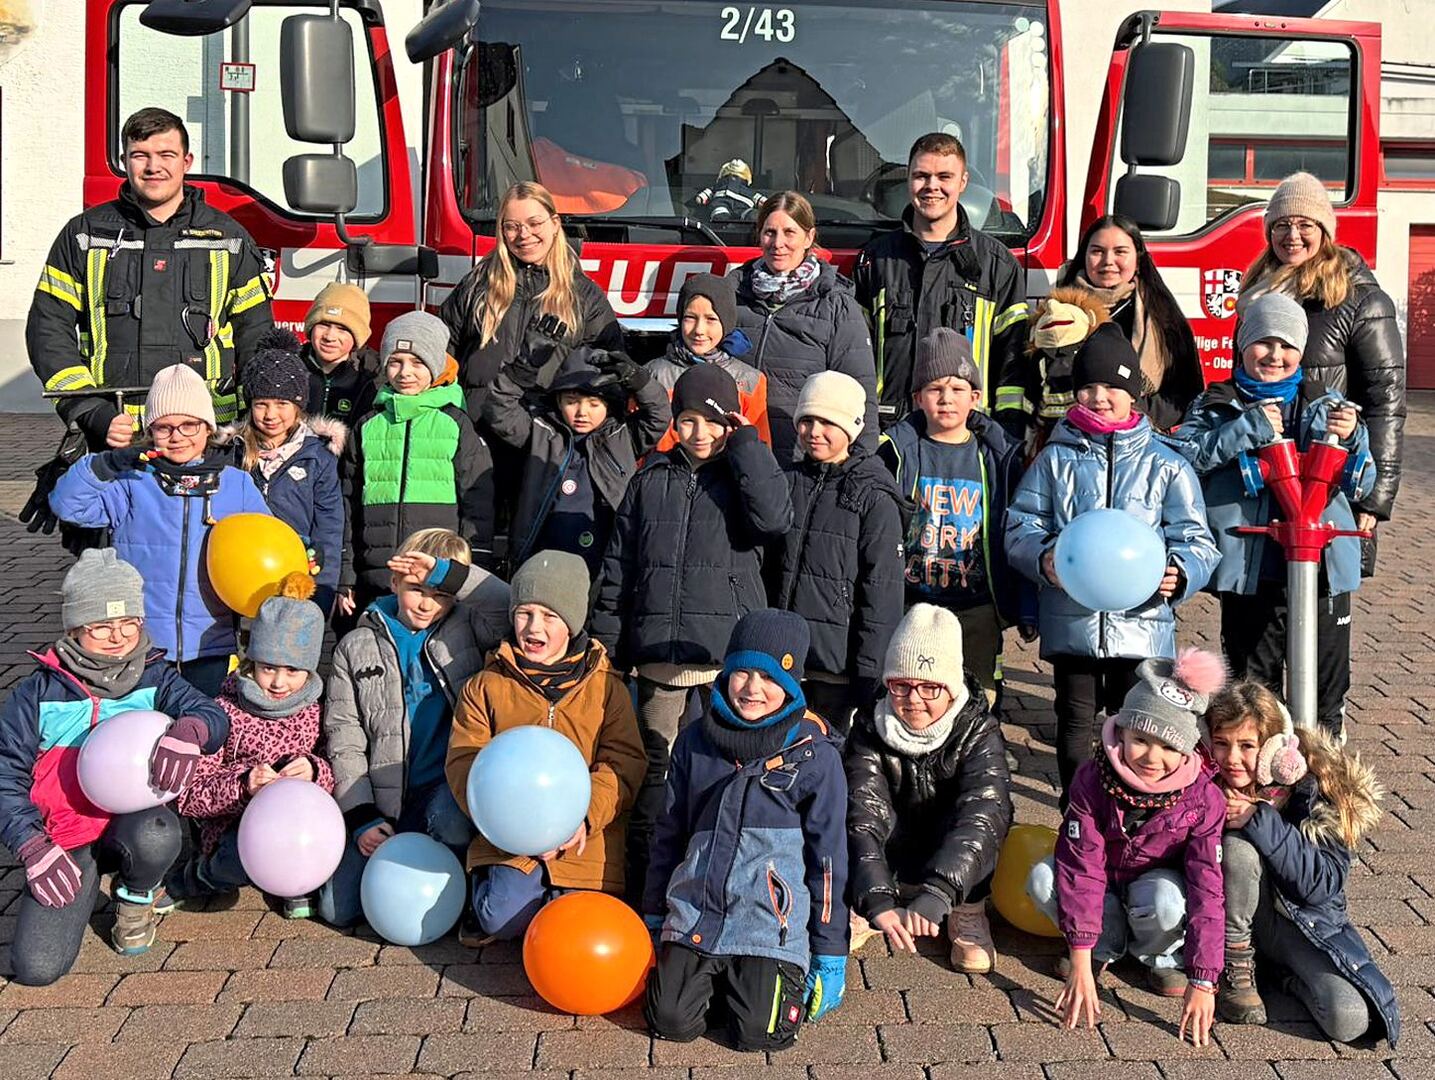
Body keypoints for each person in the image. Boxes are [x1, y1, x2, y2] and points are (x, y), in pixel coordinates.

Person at [592, 363, 792, 901]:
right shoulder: (649, 479)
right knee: (654, 769)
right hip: (659, 657)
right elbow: (619, 567)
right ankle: (644, 888)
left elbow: (774, 518)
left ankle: (713, 885)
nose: (699, 433)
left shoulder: (743, 474)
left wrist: (746, 443)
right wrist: (609, 645)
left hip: (723, 659)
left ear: (729, 422)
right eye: (687, 420)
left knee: (719, 770)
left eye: (712, 421)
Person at [1005, 324, 1219, 798]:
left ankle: (1130, 811)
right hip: (1071, 619)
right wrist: (1043, 559)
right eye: (1088, 387)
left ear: (1133, 393)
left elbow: (1198, 540)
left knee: (1136, 722)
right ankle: (1078, 811)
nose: (1099, 397)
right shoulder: (1054, 459)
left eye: (1112, 386)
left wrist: (1181, 571)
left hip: (1142, 624)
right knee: (1074, 720)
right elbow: (1020, 525)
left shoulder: (1167, 464)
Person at [0, 550, 227, 982]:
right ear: (73, 628)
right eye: (100, 625)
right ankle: (81, 880)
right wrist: (31, 845)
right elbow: (5, 775)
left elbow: (211, 714)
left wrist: (191, 729)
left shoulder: (155, 677)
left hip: (132, 822)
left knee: (157, 833)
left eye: (129, 622)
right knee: (37, 968)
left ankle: (136, 895)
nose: (118, 636)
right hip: (64, 834)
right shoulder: (36, 694)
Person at [643, 610, 850, 1049]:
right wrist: (654, 910)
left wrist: (830, 949)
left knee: (761, 1032)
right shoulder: (694, 741)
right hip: (699, 911)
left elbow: (829, 859)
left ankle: (748, 982)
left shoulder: (815, 757)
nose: (753, 688)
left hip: (769, 923)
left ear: (793, 685)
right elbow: (669, 832)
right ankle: (716, 979)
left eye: (770, 677)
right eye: (743, 672)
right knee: (669, 1020)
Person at [1176, 293, 1373, 740]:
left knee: (1327, 687)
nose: (1275, 355)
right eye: (1263, 342)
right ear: (1242, 345)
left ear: (1301, 351)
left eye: (1287, 345)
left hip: (1323, 568)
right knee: (1254, 688)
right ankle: (1260, 772)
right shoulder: (1215, 403)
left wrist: (1352, 439)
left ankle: (1323, 769)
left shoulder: (1327, 403)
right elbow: (1185, 458)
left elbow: (1364, 478)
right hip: (1253, 569)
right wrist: (1246, 429)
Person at [26, 107, 272, 444]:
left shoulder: (228, 238)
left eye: (166, 155)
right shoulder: (85, 235)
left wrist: (255, 418)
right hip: (115, 434)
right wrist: (91, 411)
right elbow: (48, 328)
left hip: (204, 434)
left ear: (186, 162)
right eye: (140, 155)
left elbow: (256, 335)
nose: (153, 166)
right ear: (124, 161)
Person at [1026, 650, 1227, 1044]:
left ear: (1187, 750)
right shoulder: (1091, 778)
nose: (1152, 757)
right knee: (1043, 879)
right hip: (1103, 882)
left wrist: (1204, 979)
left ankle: (1159, 956)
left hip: (1153, 888)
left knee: (1168, 901)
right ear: (1120, 732)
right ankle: (1102, 948)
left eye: (1169, 747)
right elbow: (1080, 866)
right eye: (1140, 740)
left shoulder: (1204, 797)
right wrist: (1080, 955)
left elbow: (1207, 887)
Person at [446, 551, 646, 941]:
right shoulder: (486, 685)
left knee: (574, 927)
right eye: (524, 613)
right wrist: (509, 822)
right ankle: (484, 891)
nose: (533, 626)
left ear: (571, 623)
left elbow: (623, 764)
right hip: (510, 839)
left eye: (550, 616)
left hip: (584, 839)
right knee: (501, 919)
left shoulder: (608, 688)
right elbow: (463, 759)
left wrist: (583, 817)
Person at [319, 527, 510, 929]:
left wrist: (446, 574)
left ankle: (460, 884)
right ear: (394, 582)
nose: (427, 604)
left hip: (444, 793)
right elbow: (344, 735)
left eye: (441, 594)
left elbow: (506, 605)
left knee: (452, 824)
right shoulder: (356, 645)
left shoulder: (468, 628)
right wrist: (361, 815)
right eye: (416, 589)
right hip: (382, 799)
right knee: (338, 909)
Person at [49, 364, 273, 695]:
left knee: (201, 721)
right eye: (164, 427)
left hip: (210, 639)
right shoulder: (131, 482)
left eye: (189, 425)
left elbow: (267, 540)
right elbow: (67, 505)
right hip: (143, 644)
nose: (177, 436)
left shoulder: (235, 484)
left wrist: (302, 549)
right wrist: (104, 465)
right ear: (150, 430)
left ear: (207, 427)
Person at [1204, 680, 1399, 1046]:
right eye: (1221, 743)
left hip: (1298, 925)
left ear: (1275, 749)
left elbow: (1321, 885)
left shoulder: (1315, 792)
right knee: (1238, 849)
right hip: (1232, 930)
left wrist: (1261, 819)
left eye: (1247, 746)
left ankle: (1283, 976)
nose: (1231, 758)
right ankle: (1239, 964)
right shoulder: (1203, 785)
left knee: (1349, 1019)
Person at [1237, 172, 1405, 574]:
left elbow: (1385, 402)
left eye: (1305, 224)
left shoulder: (1360, 300)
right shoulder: (1257, 295)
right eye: (1281, 224)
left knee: (1319, 600)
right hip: (1263, 483)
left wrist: (1373, 499)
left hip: (1325, 488)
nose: (1292, 235)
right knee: (1256, 600)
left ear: (1324, 231)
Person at [844, 604, 1012, 973]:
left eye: (930, 687)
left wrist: (940, 891)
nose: (914, 698)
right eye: (901, 685)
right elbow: (862, 812)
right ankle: (869, 895)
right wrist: (873, 896)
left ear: (951, 688)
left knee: (988, 813)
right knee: (852, 807)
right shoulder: (869, 727)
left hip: (951, 850)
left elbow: (983, 815)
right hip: (894, 849)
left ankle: (967, 907)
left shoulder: (979, 730)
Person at [879, 329, 1032, 704]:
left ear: (975, 397)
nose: (946, 398)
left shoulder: (997, 456)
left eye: (957, 388)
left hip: (976, 604)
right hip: (912, 603)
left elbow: (1018, 529)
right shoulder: (898, 451)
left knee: (979, 697)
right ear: (917, 398)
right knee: (914, 694)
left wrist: (1023, 606)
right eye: (934, 389)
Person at [167, 574, 333, 918]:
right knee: (240, 856)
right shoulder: (225, 710)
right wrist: (244, 784)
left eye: (292, 670)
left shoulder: (316, 711)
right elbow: (190, 795)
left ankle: (294, 880)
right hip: (233, 828)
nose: (278, 682)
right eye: (268, 668)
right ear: (252, 661)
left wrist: (315, 771)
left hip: (297, 827)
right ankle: (202, 875)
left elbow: (334, 771)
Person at [855, 132, 1028, 431]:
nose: (931, 186)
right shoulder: (875, 260)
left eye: (944, 176)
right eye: (921, 176)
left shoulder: (997, 264)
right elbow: (855, 354)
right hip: (889, 433)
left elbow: (1012, 363)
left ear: (963, 182)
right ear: (908, 180)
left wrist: (1005, 436)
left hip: (968, 436)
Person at [772, 370, 904, 731]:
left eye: (828, 422)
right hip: (783, 658)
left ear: (852, 428)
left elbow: (882, 592)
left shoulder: (872, 496)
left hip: (835, 664)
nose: (814, 431)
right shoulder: (786, 482)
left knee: (826, 747)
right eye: (807, 420)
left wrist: (870, 673)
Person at [343, 311, 495, 617]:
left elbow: (477, 503)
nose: (405, 373)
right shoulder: (368, 425)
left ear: (435, 365)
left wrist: (472, 571)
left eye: (417, 362)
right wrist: (346, 574)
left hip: (435, 577)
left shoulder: (455, 423)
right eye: (395, 362)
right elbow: (347, 502)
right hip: (377, 576)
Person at [440, 181, 624, 421]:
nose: (524, 234)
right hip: (476, 425)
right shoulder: (477, 284)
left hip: (544, 431)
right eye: (512, 226)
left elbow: (607, 374)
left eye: (534, 223)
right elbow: (441, 354)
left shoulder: (584, 295)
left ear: (555, 224)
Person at [483, 345, 670, 578]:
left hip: (602, 566)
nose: (582, 412)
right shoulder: (540, 432)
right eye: (571, 401)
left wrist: (639, 381)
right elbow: (499, 409)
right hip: (540, 561)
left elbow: (659, 414)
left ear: (609, 405)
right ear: (558, 401)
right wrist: (525, 365)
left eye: (594, 404)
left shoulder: (622, 436)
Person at [1024, 215, 1204, 433]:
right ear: (1084, 256)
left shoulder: (1163, 317)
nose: (1108, 261)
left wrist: (1131, 415)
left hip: (1141, 438)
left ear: (1138, 257)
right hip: (1067, 436)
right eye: (1097, 251)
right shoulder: (1058, 313)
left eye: (1120, 252)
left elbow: (1183, 394)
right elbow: (1031, 384)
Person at [734, 192, 878, 461]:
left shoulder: (836, 305)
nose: (778, 243)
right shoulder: (733, 293)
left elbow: (860, 394)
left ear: (809, 237)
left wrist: (862, 466)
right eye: (769, 232)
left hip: (800, 462)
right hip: (738, 455)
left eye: (789, 232)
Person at [236, 328, 347, 617]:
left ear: (298, 406)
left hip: (295, 580)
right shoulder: (234, 453)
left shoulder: (318, 457)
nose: (270, 415)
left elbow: (329, 528)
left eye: (282, 404)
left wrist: (323, 590)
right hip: (242, 579)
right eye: (261, 404)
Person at [646, 272, 771, 450]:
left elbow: (759, 449)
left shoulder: (750, 380)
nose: (699, 330)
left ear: (726, 323)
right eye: (690, 318)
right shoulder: (653, 375)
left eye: (711, 319)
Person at [1010, 286, 1111, 455]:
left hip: (1086, 425)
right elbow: (1031, 392)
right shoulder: (1040, 360)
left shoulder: (1091, 354)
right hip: (1051, 430)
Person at [303, 281, 381, 422]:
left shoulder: (374, 375)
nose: (329, 337)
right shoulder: (289, 367)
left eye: (342, 329)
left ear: (357, 337)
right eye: (324, 325)